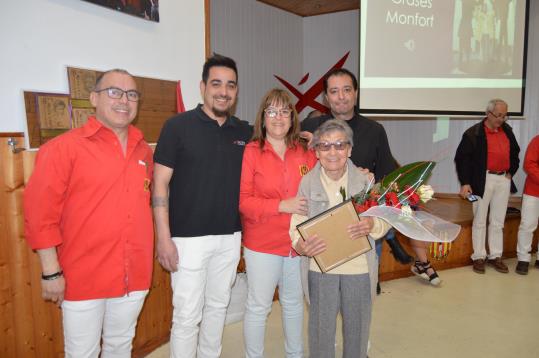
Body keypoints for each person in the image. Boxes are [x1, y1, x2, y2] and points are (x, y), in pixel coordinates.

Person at [24, 69, 153, 357]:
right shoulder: (62, 149)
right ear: (94, 98)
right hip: (83, 277)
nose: (124, 100)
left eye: (132, 94)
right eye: (114, 92)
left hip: (134, 274)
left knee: (121, 346)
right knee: (82, 352)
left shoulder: (143, 150)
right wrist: (50, 272)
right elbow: (39, 213)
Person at [152, 55, 252, 358]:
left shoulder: (244, 132)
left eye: (230, 85)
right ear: (203, 87)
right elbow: (159, 185)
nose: (223, 91)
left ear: (236, 91)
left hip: (229, 237)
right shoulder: (177, 126)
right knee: (186, 315)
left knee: (217, 308)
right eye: (216, 83)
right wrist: (163, 238)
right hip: (186, 240)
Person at [290, 119, 390, 358]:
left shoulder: (366, 181)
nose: (332, 152)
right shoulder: (307, 182)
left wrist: (372, 224)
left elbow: (386, 217)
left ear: (350, 149)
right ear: (316, 152)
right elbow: (296, 224)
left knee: (357, 332)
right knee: (320, 333)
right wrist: (300, 245)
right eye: (325, 146)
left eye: (339, 145)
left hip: (358, 270)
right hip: (320, 269)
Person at [301, 68, 413, 274]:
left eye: (346, 90)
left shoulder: (375, 130)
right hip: (323, 222)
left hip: (363, 224)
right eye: (334, 91)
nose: (341, 97)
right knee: (323, 288)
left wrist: (368, 180)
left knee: (364, 287)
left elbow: (388, 178)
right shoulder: (311, 126)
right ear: (326, 97)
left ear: (356, 93)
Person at [239, 88, 317, 357]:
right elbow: (244, 202)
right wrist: (281, 205)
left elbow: (327, 181)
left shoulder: (305, 151)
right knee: (259, 306)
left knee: (294, 303)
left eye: (285, 111)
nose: (278, 117)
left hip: (298, 243)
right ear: (262, 118)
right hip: (261, 243)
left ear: (293, 117)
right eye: (271, 111)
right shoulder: (251, 152)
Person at [455, 98, 520, 274]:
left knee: (498, 220)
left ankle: (496, 256)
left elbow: (515, 152)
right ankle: (479, 256)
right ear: (488, 113)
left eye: (504, 116)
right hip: (481, 180)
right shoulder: (473, 133)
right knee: (480, 219)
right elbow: (462, 159)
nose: (501, 119)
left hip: (503, 180)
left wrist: (510, 171)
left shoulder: (507, 131)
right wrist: (465, 182)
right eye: (498, 115)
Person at [515, 134, 539, 275]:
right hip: (533, 191)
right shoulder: (537, 140)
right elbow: (529, 164)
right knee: (527, 225)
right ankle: (523, 259)